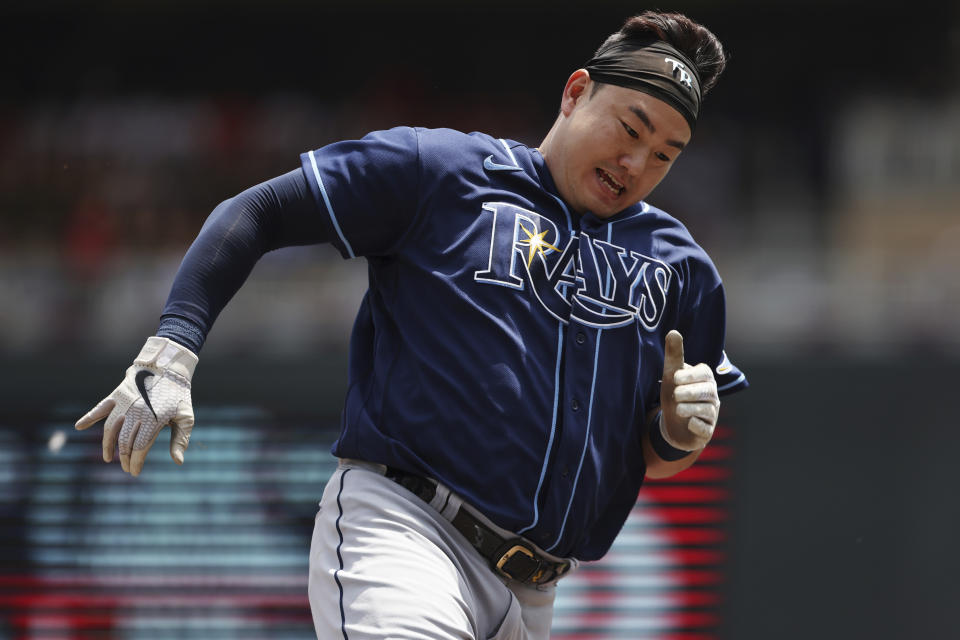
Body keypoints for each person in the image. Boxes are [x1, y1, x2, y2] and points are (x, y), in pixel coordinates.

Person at [75, 10, 748, 639]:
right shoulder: (443, 171)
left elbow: (661, 455)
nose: (637, 163)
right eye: (629, 129)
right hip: (406, 531)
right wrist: (173, 347)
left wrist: (677, 433)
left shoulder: (680, 266)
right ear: (575, 93)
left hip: (537, 595)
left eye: (665, 154)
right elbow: (258, 211)